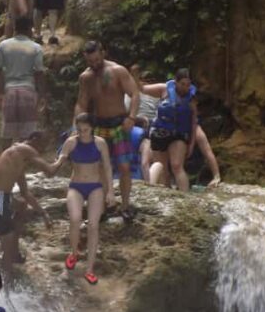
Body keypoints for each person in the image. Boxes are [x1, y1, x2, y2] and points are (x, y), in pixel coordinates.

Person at [74, 41, 139, 222]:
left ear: (102, 53)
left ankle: (125, 206)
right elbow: (81, 103)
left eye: (96, 59)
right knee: (100, 167)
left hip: (119, 124)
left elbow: (134, 93)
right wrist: (77, 126)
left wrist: (131, 117)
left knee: (124, 167)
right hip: (99, 125)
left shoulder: (118, 71)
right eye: (90, 61)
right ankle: (102, 208)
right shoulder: (86, 77)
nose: (94, 64)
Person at [50, 114, 115, 285]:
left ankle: (89, 269)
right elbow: (62, 157)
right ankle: (74, 253)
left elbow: (107, 167)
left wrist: (111, 191)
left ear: (92, 128)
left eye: (85, 130)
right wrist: (55, 165)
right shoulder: (71, 142)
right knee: (75, 219)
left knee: (93, 225)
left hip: (95, 187)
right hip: (76, 186)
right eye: (79, 130)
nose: (82, 133)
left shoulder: (100, 143)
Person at [0, 132, 56, 279]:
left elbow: (25, 193)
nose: (43, 150)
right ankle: (7, 279)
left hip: (1, 197)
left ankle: (14, 254)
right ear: (34, 140)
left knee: (22, 206)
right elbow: (50, 171)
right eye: (43, 145)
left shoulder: (17, 159)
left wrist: (43, 214)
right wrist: (64, 156)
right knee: (7, 244)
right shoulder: (25, 149)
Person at [138, 69, 198, 192]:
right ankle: (165, 194)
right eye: (182, 84)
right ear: (176, 82)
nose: (185, 87)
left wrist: (191, 143)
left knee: (176, 165)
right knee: (161, 167)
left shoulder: (191, 98)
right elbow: (142, 89)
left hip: (179, 134)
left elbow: (194, 122)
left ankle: (185, 196)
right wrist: (134, 76)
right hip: (159, 132)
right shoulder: (164, 89)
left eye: (188, 84)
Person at [0, 16, 45, 146]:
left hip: (9, 93)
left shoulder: (4, 45)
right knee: (27, 137)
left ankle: (5, 157)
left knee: (7, 135)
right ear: (29, 29)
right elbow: (39, 73)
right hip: (28, 92)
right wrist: (42, 95)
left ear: (15, 28)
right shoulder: (36, 47)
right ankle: (24, 157)